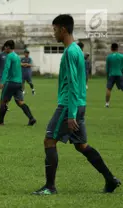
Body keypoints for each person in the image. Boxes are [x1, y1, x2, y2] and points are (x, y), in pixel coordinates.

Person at [32, 14, 120, 195]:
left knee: (49, 140)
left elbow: (72, 83)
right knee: (81, 145)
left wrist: (71, 113)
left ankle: (50, 187)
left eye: (55, 29)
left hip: (68, 105)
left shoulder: (71, 52)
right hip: (78, 103)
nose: (53, 33)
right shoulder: (76, 51)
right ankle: (110, 179)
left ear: (63, 29)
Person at [0, 40, 36, 126]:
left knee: (3, 102)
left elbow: (6, 69)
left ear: (8, 47)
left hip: (10, 83)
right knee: (20, 102)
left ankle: (0, 121)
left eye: (5, 47)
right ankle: (31, 118)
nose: (4, 49)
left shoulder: (9, 56)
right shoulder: (17, 56)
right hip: (18, 83)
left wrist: (2, 82)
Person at [105, 43, 123, 108]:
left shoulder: (109, 57)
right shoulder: (121, 56)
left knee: (108, 89)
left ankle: (107, 103)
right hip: (119, 74)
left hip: (111, 74)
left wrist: (107, 77)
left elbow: (107, 68)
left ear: (111, 48)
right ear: (117, 48)